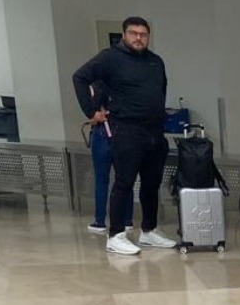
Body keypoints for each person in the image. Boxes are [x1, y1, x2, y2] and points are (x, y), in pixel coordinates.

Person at [73, 17, 176, 255]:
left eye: (143, 34)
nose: (138, 38)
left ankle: (149, 231)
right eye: (133, 33)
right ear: (124, 35)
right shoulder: (110, 58)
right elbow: (79, 77)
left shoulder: (155, 62)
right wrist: (91, 111)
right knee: (124, 182)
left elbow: (161, 89)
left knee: (152, 184)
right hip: (126, 131)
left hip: (154, 131)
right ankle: (116, 235)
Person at [84, 82, 134, 233]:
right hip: (123, 134)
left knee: (101, 180)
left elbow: (94, 117)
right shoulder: (124, 87)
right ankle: (127, 220)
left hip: (101, 133)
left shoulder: (94, 87)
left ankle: (100, 221)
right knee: (124, 179)